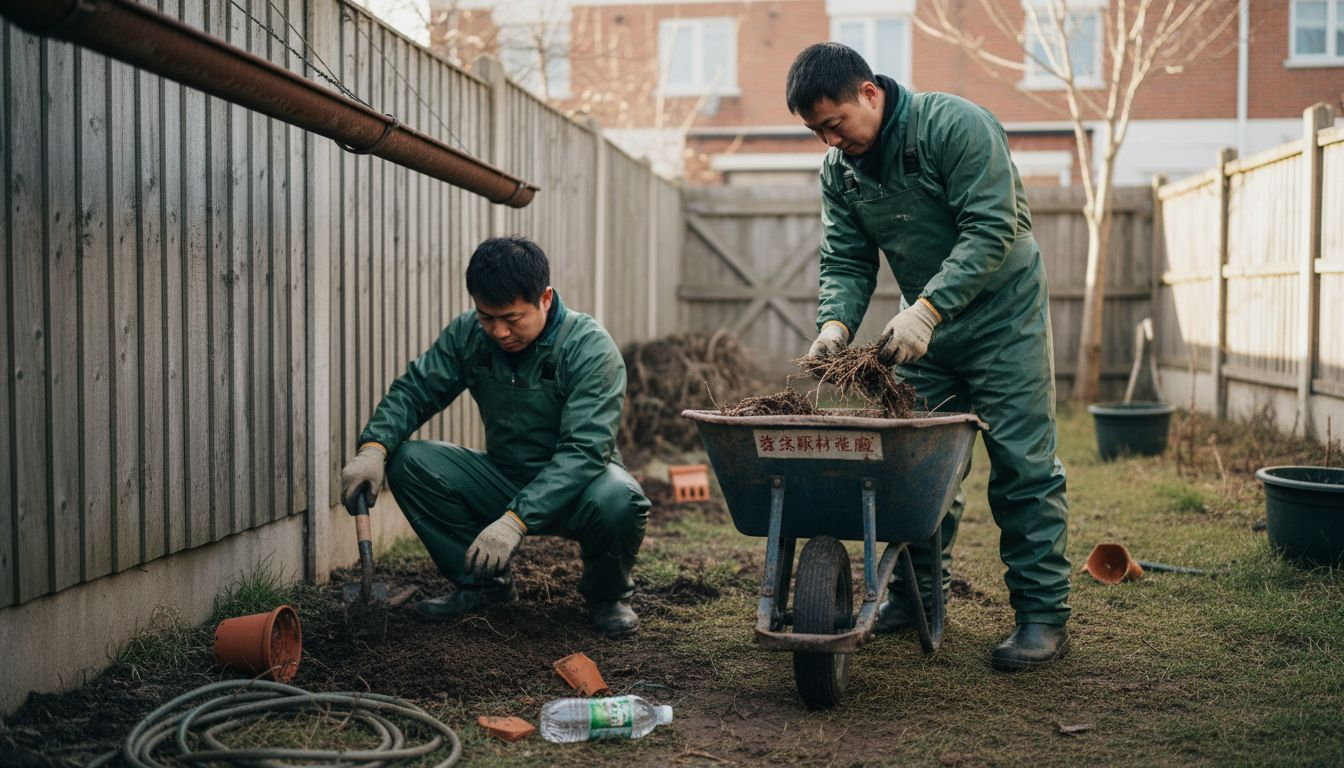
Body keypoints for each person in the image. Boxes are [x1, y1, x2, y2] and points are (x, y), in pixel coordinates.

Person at [786, 43, 1071, 671]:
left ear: (869, 93)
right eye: (816, 132)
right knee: (919, 471)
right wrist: (834, 325)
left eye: (835, 123)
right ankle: (915, 600)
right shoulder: (843, 172)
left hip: (1003, 318)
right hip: (927, 334)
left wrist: (927, 308)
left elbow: (994, 226)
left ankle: (1042, 615)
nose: (830, 141)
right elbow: (845, 258)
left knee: (1022, 465)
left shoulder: (953, 126)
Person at [339, 236, 650, 637]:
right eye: (487, 317)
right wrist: (374, 446)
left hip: (581, 487)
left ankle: (608, 597)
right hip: (503, 477)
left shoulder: (589, 348)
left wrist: (515, 520)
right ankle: (483, 585)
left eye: (511, 318)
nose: (499, 332)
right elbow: (416, 391)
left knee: (620, 498)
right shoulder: (469, 335)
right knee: (408, 461)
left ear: (546, 298)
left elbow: (584, 451)